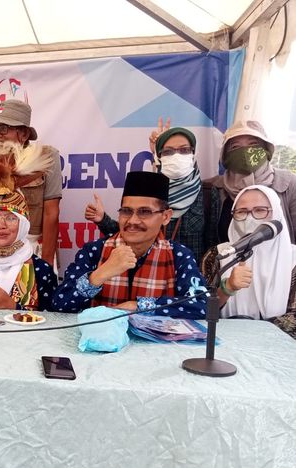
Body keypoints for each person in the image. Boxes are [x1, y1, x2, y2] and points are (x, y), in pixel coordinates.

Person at [53, 171, 207, 319]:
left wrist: (139, 306)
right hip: (101, 343)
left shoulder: (178, 255)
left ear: (166, 217)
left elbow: (201, 306)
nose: (132, 221)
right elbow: (59, 304)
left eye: (144, 212)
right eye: (126, 211)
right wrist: (99, 275)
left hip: (156, 345)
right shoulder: (95, 251)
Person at [85, 121, 217, 263]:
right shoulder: (151, 192)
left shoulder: (207, 194)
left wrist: (203, 282)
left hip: (190, 278)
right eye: (168, 151)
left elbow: (213, 247)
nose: (176, 156)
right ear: (159, 157)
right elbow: (132, 231)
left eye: (184, 150)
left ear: (193, 153)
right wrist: (102, 219)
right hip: (152, 274)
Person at [0, 99, 61, 266]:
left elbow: (51, 214)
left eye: (3, 128)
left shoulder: (47, 157)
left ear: (24, 134)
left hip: (34, 250)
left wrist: (45, 264)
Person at [200, 185, 296, 335]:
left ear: (277, 213)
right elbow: (200, 310)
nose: (250, 217)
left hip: (277, 348)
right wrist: (228, 288)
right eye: (241, 212)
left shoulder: (293, 259)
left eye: (260, 210)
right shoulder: (219, 255)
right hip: (224, 341)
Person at [206, 120, 296, 244]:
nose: (245, 151)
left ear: (266, 150)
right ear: (225, 155)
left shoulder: (289, 183)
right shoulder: (211, 188)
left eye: (253, 144)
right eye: (235, 147)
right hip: (228, 261)